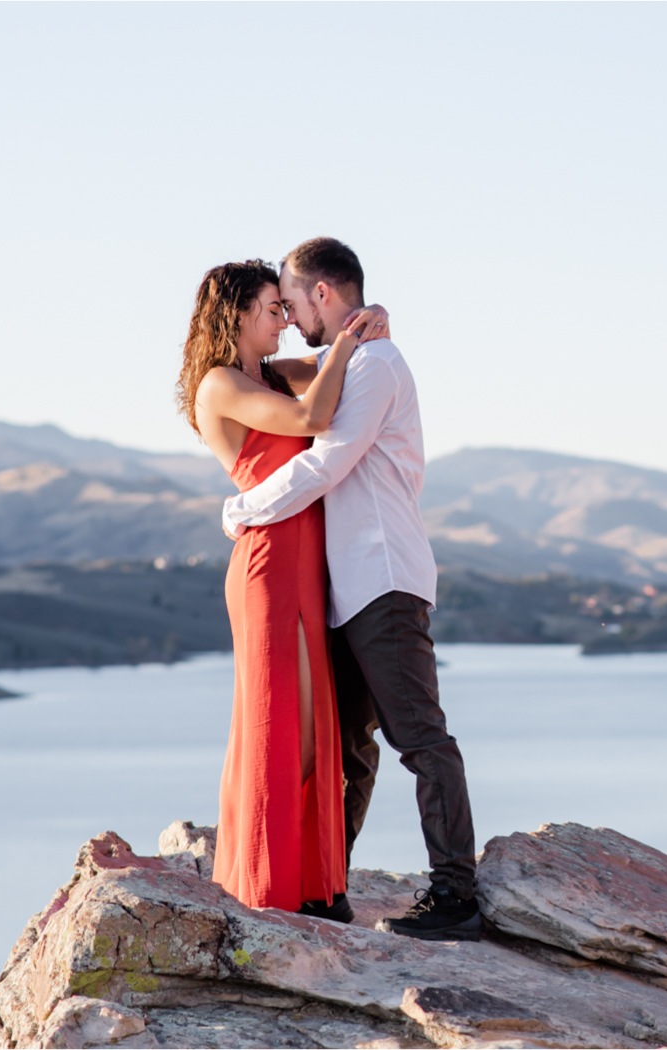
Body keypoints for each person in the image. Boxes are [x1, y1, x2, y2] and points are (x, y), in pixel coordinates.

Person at [222, 237, 481, 942]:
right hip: (352, 587)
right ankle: (327, 888)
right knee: (350, 750)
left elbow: (328, 463)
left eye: (291, 302)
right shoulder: (352, 359)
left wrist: (241, 511)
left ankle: (456, 896)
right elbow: (279, 385)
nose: (288, 317)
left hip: (385, 578)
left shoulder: (376, 365)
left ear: (323, 293)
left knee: (420, 738)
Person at [175, 258, 387, 922]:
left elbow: (339, 371)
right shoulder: (219, 384)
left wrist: (368, 322)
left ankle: (308, 883)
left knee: (314, 729)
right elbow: (312, 414)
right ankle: (270, 890)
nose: (285, 322)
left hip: (307, 566)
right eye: (274, 309)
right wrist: (347, 339)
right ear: (237, 313)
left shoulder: (271, 374)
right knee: (284, 733)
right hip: (269, 566)